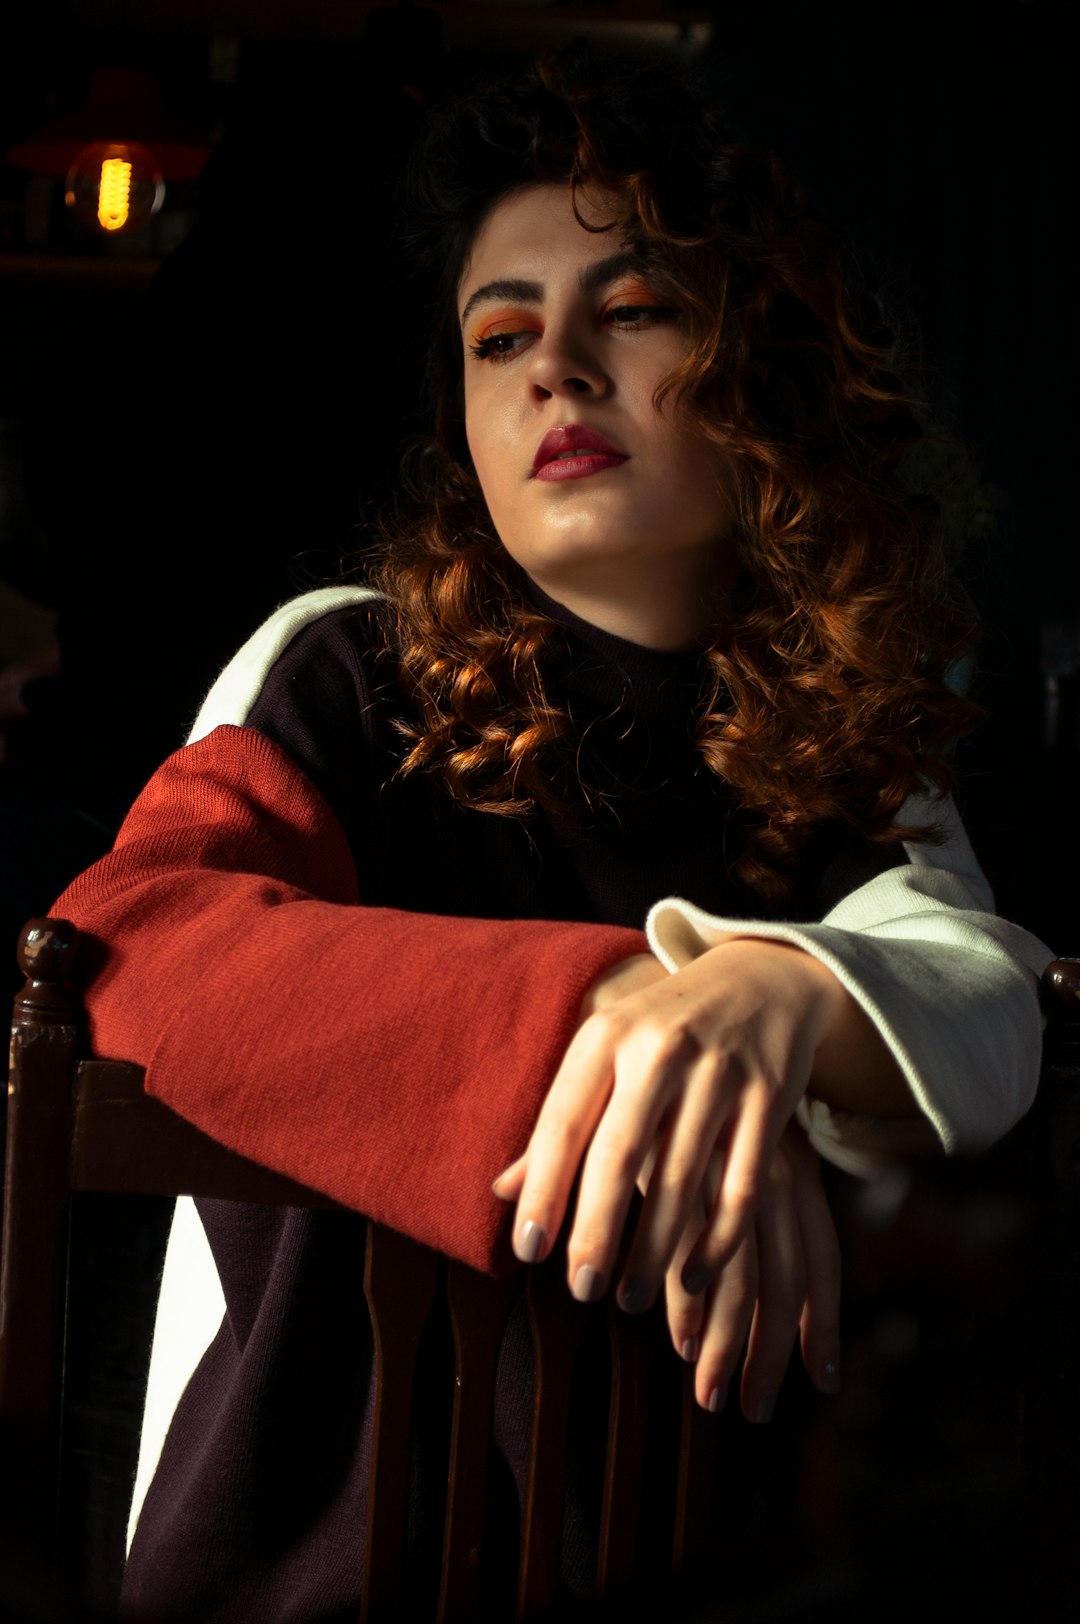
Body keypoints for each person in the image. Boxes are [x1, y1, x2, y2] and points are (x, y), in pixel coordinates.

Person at [52, 48, 1049, 1622]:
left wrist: (781, 996)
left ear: (758, 361)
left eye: (633, 310)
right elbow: (125, 950)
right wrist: (618, 1020)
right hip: (316, 1583)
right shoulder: (344, 667)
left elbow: (994, 995)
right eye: (500, 333)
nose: (556, 370)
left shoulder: (858, 755)